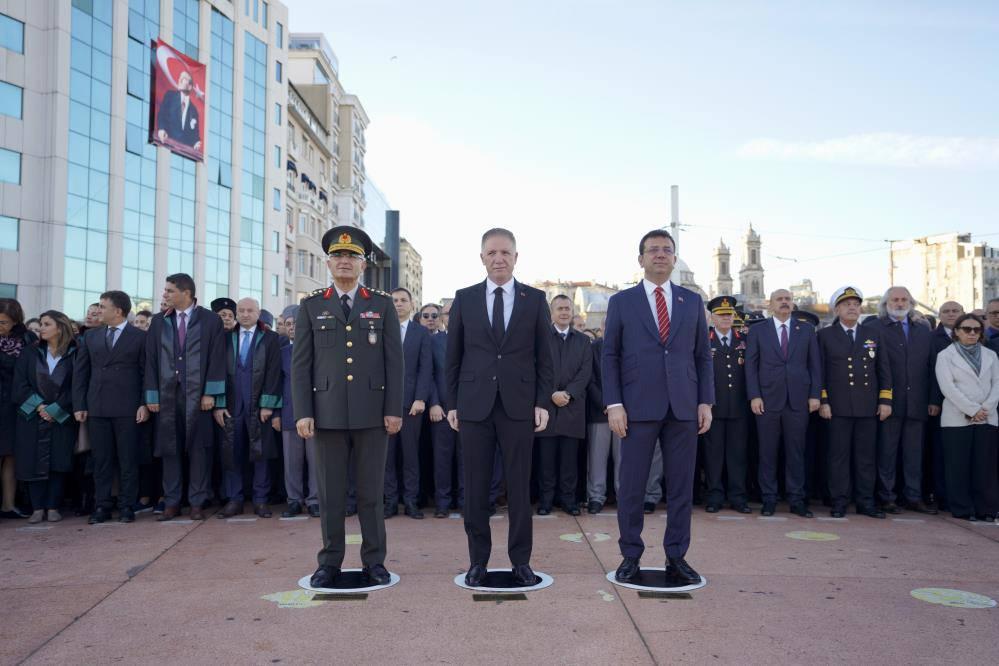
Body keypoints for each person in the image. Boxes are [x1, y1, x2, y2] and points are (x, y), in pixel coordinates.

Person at [292, 226, 403, 588]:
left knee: (371, 494)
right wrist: (303, 411)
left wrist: (393, 409)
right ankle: (329, 563)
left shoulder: (381, 304)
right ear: (328, 262)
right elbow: (301, 364)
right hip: (326, 413)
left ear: (363, 264)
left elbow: (394, 363)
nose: (344, 262)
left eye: (352, 257)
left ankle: (374, 562)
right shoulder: (311, 305)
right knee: (331, 494)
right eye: (338, 256)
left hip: (373, 413)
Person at [445, 228, 554, 588]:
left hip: (519, 406)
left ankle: (520, 562)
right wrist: (452, 404)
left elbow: (545, 357)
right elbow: (454, 357)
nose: (499, 258)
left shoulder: (535, 299)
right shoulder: (464, 298)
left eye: (505, 252)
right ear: (482, 258)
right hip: (474, 407)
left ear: (516, 257)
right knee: (476, 488)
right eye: (492, 252)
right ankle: (478, 561)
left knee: (520, 488)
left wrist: (541, 401)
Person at [604, 229, 713, 586]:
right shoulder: (623, 302)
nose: (661, 255)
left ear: (675, 258)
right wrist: (614, 403)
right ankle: (630, 556)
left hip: (683, 406)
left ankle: (677, 555)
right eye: (653, 250)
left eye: (667, 250)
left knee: (681, 486)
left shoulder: (692, 302)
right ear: (641, 259)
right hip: (636, 407)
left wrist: (705, 401)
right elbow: (611, 356)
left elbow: (702, 356)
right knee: (632, 485)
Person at [145, 273, 226, 521]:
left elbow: (217, 357)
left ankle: (197, 501)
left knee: (199, 450)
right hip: (168, 395)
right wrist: (152, 395)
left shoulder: (209, 320)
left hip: (198, 396)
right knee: (170, 449)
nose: (165, 295)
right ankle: (172, 502)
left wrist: (210, 393)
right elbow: (151, 360)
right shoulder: (159, 321)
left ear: (186, 293)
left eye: (169, 291)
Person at [73, 291, 149, 524]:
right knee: (101, 461)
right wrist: (80, 404)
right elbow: (81, 373)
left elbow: (147, 373)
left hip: (128, 408)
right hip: (97, 407)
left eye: (103, 307)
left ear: (118, 311)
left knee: (127, 460)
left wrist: (144, 403)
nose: (98, 311)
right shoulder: (91, 337)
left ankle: (127, 506)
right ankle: (102, 505)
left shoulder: (140, 337)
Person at [817, 287, 893, 519]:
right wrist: (823, 401)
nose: (852, 307)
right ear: (837, 309)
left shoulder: (873, 334)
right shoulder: (825, 336)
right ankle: (839, 501)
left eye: (856, 304)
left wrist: (885, 400)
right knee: (838, 457)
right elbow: (819, 371)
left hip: (867, 406)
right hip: (837, 407)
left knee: (866, 457)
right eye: (847, 304)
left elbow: (884, 369)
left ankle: (865, 502)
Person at [746, 288, 823, 517]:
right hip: (767, 400)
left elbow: (815, 365)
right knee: (767, 453)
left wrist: (815, 395)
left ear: (793, 303)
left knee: (796, 452)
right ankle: (769, 499)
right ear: (770, 304)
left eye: (788, 299)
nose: (784, 303)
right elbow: (751, 366)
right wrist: (754, 395)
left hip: (798, 400)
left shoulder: (806, 330)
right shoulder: (758, 330)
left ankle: (796, 499)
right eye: (779, 299)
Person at [865, 287, 938, 514]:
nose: (899, 303)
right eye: (894, 299)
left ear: (911, 303)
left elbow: (932, 368)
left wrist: (933, 399)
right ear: (886, 303)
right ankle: (887, 497)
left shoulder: (923, 330)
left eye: (904, 299)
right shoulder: (873, 328)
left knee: (914, 454)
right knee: (886, 453)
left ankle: (913, 497)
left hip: (917, 402)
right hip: (888, 403)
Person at [214, 298, 283, 518]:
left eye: (249, 310)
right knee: (231, 452)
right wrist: (219, 403)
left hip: (258, 403)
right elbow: (216, 372)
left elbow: (274, 372)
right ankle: (235, 499)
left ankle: (260, 500)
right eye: (241, 311)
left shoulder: (271, 339)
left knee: (260, 452)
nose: (245, 314)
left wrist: (267, 404)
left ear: (258, 312)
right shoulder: (224, 338)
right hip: (232, 404)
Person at [585, 332, 664, 515]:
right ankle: (596, 497)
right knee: (597, 458)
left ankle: (623, 495)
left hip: (626, 413)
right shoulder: (594, 347)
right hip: (600, 412)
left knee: (623, 459)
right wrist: (606, 404)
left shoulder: (633, 345)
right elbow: (589, 378)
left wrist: (623, 406)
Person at [12, 311, 79, 523]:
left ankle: (53, 506)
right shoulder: (29, 353)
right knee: (32, 460)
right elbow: (19, 385)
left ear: (59, 327)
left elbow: (77, 386)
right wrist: (40, 406)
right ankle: (37, 508)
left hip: (61, 416)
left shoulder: (75, 353)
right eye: (40, 324)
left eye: (46, 324)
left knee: (58, 461)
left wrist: (56, 409)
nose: (41, 327)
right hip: (32, 415)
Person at [934, 314, 999, 521]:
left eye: (976, 329)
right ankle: (963, 509)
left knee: (985, 467)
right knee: (958, 466)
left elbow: (997, 384)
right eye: (966, 329)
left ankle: (986, 509)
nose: (972, 333)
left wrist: (985, 409)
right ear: (957, 332)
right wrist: (972, 409)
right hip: (957, 419)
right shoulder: (945, 355)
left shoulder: (991, 355)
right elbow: (948, 387)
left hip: (987, 418)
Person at [536, 295, 592, 516]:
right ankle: (546, 501)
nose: (564, 312)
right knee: (546, 461)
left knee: (569, 461)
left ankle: (569, 501)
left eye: (568, 308)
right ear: (552, 312)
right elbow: (536, 369)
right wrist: (551, 394)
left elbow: (585, 372)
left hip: (572, 406)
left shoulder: (582, 341)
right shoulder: (540, 339)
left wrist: (568, 393)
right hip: (546, 408)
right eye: (559, 308)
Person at [383, 288, 432, 519]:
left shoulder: (420, 333)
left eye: (403, 300)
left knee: (411, 455)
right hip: (384, 404)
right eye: (394, 300)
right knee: (386, 456)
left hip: (412, 404)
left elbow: (426, 368)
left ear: (412, 305)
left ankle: (411, 501)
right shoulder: (379, 329)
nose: (399, 304)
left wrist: (421, 398)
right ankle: (390, 502)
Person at [703, 296, 751, 514]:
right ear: (712, 317)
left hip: (739, 407)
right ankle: (714, 496)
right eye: (721, 315)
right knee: (713, 455)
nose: (725, 318)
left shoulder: (744, 340)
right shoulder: (705, 339)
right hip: (713, 407)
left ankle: (738, 496)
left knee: (738, 454)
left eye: (729, 315)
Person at [276, 305, 319, 518]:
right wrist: (276, 413)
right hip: (288, 412)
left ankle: (314, 500)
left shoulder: (318, 349)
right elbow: (274, 384)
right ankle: (293, 500)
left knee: (316, 460)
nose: (292, 328)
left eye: (296, 323)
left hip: (315, 413)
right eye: (288, 324)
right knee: (291, 461)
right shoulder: (281, 352)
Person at [927, 300, 964, 510]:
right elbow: (929, 371)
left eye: (955, 311)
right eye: (946, 311)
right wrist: (933, 400)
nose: (951, 314)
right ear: (939, 315)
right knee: (939, 452)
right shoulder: (932, 338)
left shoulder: (973, 335)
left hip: (968, 405)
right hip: (940, 404)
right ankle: (940, 496)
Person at [0, 299, 35, 519]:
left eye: (4, 322)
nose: (0, 326)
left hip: (14, 406)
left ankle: (8, 504)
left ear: (15, 321)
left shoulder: (28, 340)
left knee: (11, 455)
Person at [426, 304, 461, 518]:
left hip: (470, 410)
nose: (452, 316)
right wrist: (434, 402)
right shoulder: (433, 341)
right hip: (441, 408)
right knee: (442, 458)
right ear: (443, 318)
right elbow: (427, 374)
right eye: (448, 313)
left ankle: (467, 501)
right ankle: (443, 503)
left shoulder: (475, 341)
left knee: (469, 460)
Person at [156, 69, 201, 150]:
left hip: (184, 150)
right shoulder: (170, 96)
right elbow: (162, 114)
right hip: (168, 144)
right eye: (180, 77)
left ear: (190, 86)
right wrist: (161, 128)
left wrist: (197, 142)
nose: (179, 79)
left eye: (183, 78)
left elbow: (195, 134)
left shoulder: (193, 110)